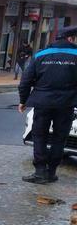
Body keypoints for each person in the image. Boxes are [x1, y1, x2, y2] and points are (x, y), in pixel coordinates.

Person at [17, 26, 77, 184]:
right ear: (71, 39)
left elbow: (25, 81)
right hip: (67, 104)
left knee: (40, 136)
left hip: (42, 103)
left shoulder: (41, 54)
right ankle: (51, 173)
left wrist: (23, 101)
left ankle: (40, 172)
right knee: (59, 138)